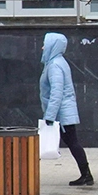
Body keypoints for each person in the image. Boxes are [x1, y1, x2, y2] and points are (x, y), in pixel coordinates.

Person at [40, 32, 93, 186]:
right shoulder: (57, 62)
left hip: (62, 113)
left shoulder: (55, 65)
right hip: (63, 111)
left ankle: (86, 175)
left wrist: (49, 116)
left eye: (45, 44)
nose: (42, 47)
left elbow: (57, 92)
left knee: (73, 142)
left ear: (52, 45)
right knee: (72, 142)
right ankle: (86, 174)